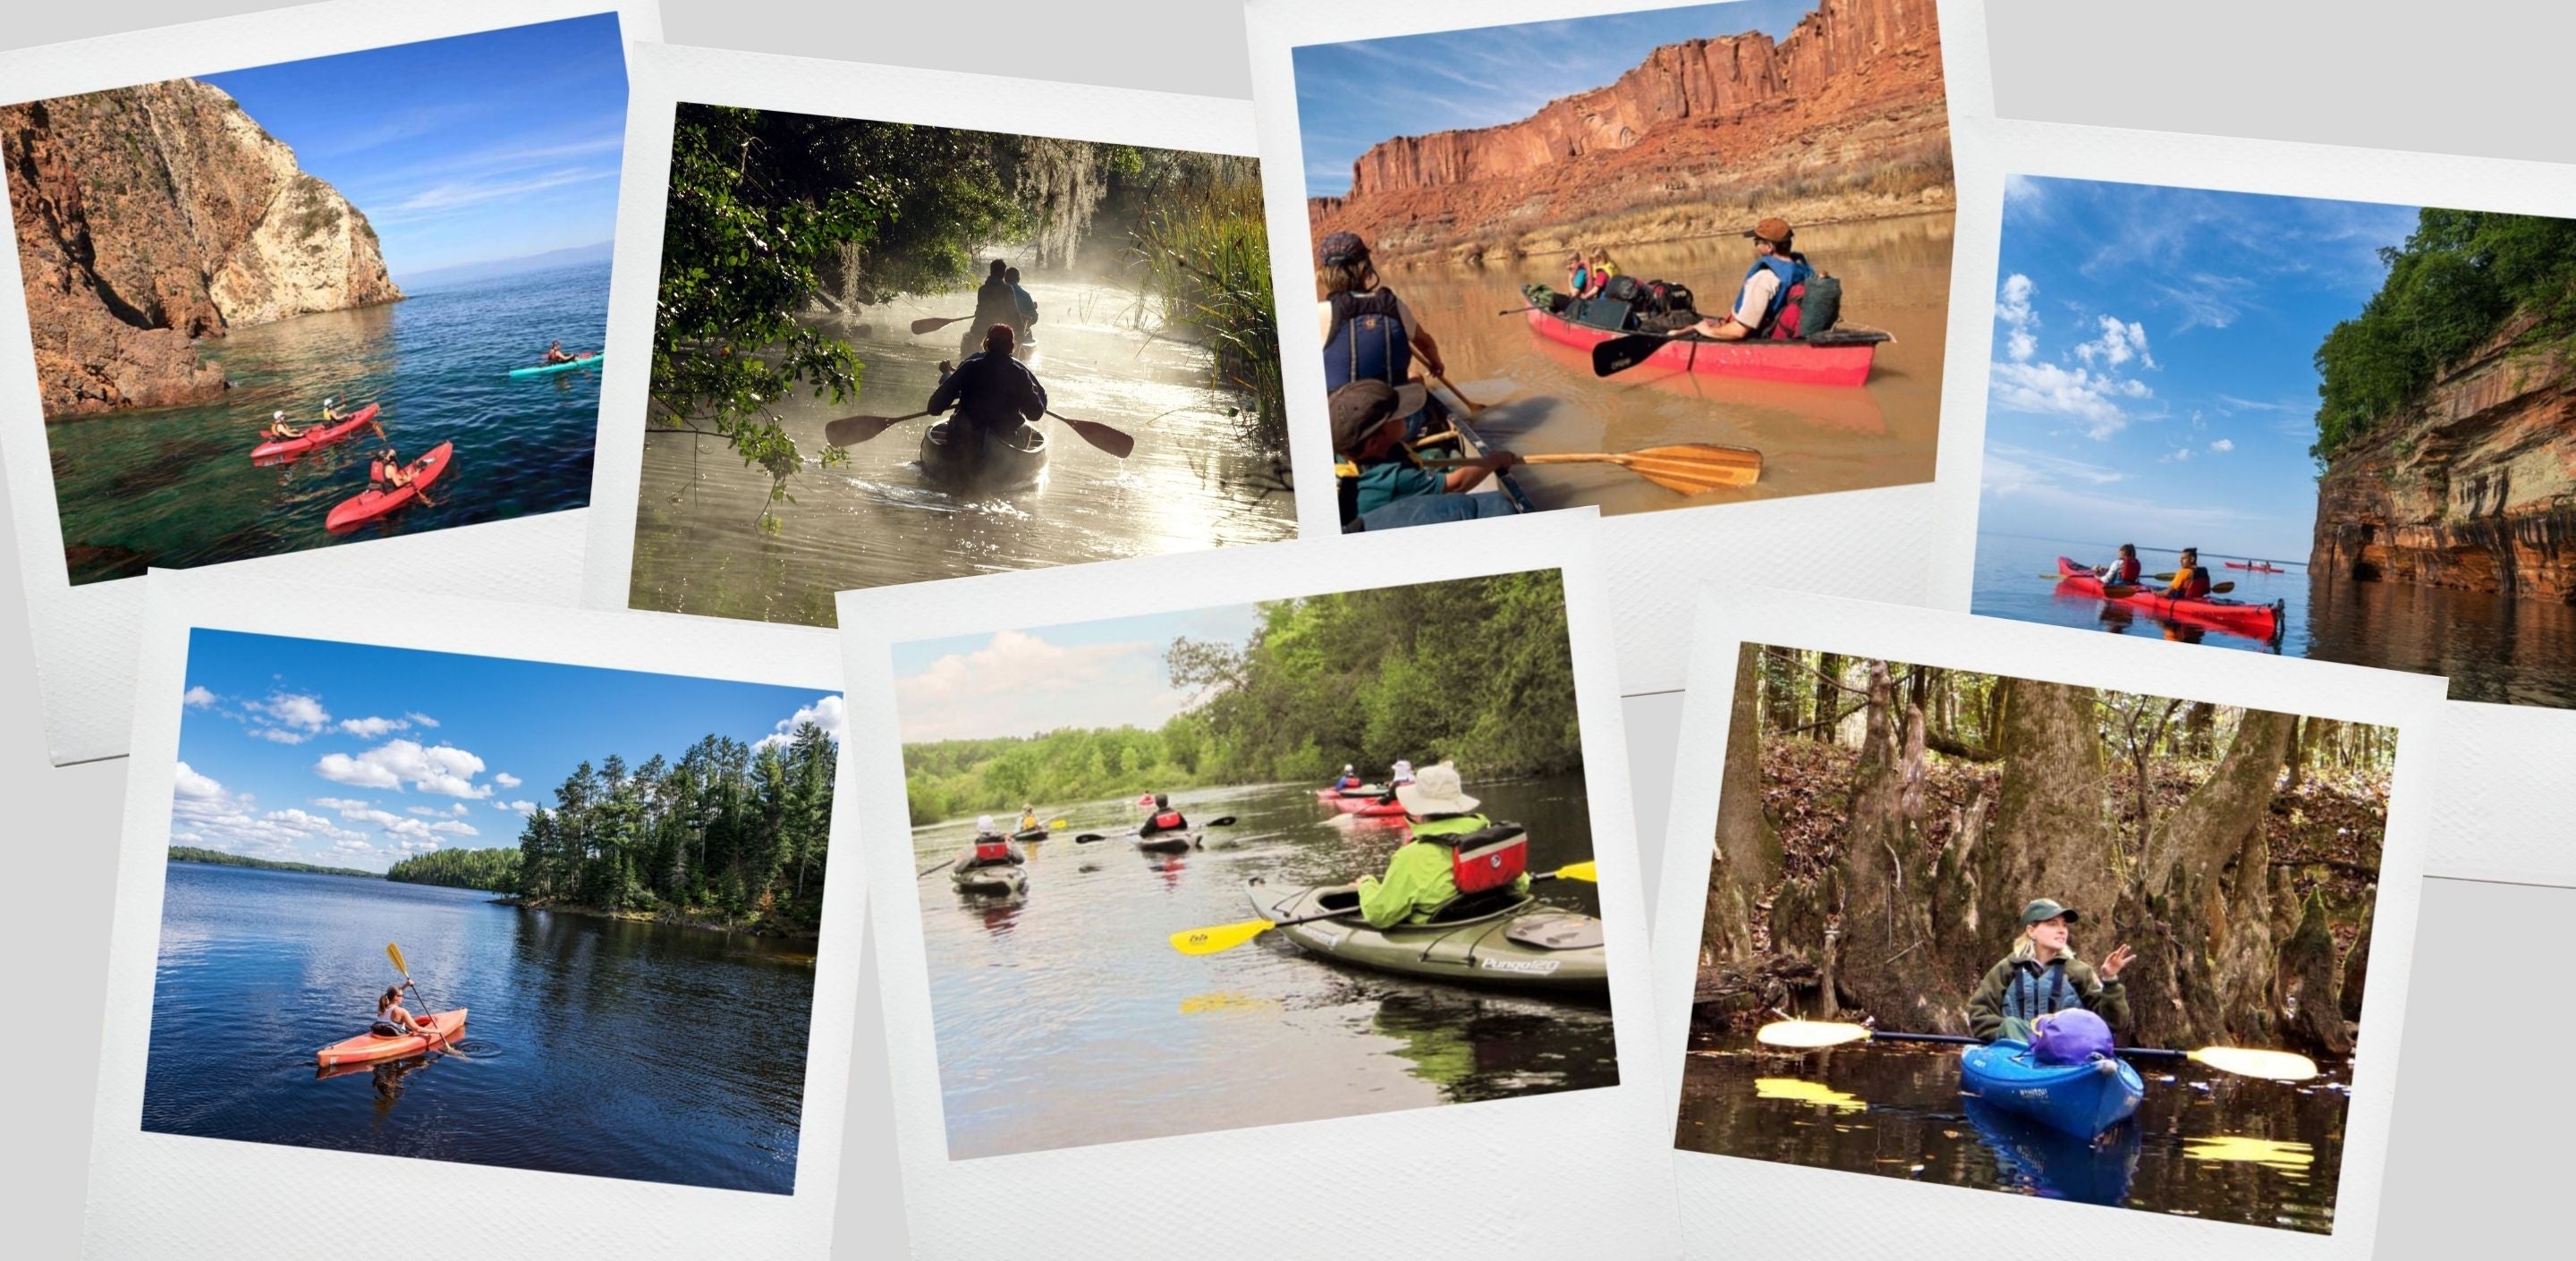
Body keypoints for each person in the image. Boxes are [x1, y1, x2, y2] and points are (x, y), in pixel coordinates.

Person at [1356, 761, 1532, 928]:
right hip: (1495, 918)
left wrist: (1366, 884)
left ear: (1420, 809)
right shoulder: (1491, 839)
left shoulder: (1411, 856)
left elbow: (1379, 915)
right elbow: (1522, 884)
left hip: (1445, 933)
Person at [1330, 380, 1519, 530]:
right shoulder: (1395, 477)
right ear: (1373, 443)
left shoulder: (1346, 453)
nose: (1405, 416)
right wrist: (1493, 461)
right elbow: (1457, 484)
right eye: (1397, 416)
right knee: (1495, 505)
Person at [1316, 231, 1447, 436]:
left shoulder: (1319, 314)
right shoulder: (1393, 305)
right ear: (1366, 267)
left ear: (1324, 273)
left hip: (1344, 434)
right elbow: (1425, 342)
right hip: (1399, 428)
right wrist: (1436, 363)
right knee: (1415, 377)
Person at [1966, 898, 2134, 1045]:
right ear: (2031, 931)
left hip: (2067, 1054)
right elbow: (1979, 1014)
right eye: (2052, 924)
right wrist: (2008, 1032)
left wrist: (2110, 979)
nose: (2062, 930)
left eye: (2064, 925)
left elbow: (2114, 1023)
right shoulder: (2006, 969)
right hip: (2015, 1055)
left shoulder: (2079, 971)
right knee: (2011, 1023)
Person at [1687, 217, 1815, 342]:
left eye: (1757, 242)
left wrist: (1707, 331)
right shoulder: (1802, 270)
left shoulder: (1764, 279)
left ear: (1769, 246)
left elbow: (1739, 331)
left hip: (1762, 337)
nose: (1756, 246)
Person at [927, 324, 1048, 444]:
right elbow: (1035, 414)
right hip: (1005, 437)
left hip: (966, 436)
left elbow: (934, 408)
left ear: (987, 344)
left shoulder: (969, 367)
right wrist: (1029, 393)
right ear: (1012, 347)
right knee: (1026, 429)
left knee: (954, 420)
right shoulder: (1020, 375)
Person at [967, 259, 1021, 356]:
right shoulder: (1007, 289)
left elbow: (980, 310)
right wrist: (1020, 330)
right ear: (1003, 273)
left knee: (975, 350)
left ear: (991, 271)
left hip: (980, 328)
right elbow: (1013, 311)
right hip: (999, 331)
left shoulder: (982, 289)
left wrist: (977, 313)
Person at [956, 815, 1027, 874]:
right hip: (1005, 875)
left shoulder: (974, 849)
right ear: (994, 826)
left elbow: (957, 870)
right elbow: (1020, 860)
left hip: (982, 877)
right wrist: (1013, 843)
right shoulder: (1007, 844)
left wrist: (959, 858)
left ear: (978, 829)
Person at [1004, 267, 1038, 343]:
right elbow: (1034, 317)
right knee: (1027, 333)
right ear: (1018, 279)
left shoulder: (996, 293)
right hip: (1019, 331)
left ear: (1005, 278)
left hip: (998, 329)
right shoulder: (1025, 295)